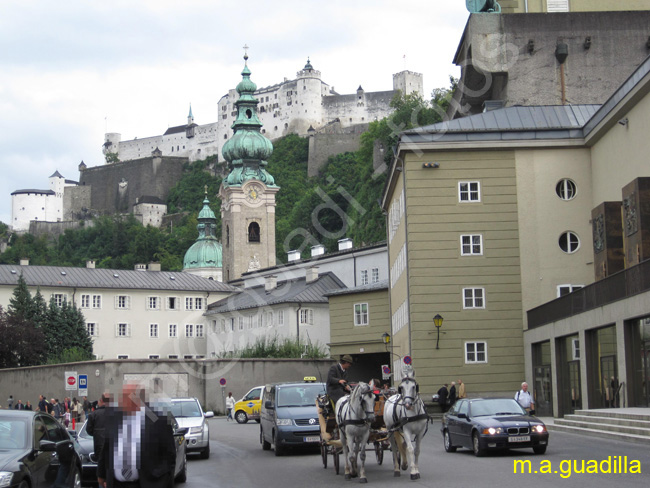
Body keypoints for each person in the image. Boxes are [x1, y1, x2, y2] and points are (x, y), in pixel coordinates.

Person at [97, 382, 176, 488]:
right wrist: (101, 474)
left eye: (124, 397)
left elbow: (169, 454)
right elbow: (107, 447)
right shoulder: (114, 417)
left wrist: (164, 480)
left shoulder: (158, 419)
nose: (120, 400)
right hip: (116, 483)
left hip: (147, 483)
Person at [87, 392, 111, 482]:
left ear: (101, 401)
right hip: (115, 449)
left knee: (101, 470)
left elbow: (89, 430)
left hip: (99, 446)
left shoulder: (93, 414)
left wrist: (97, 434)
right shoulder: (118, 414)